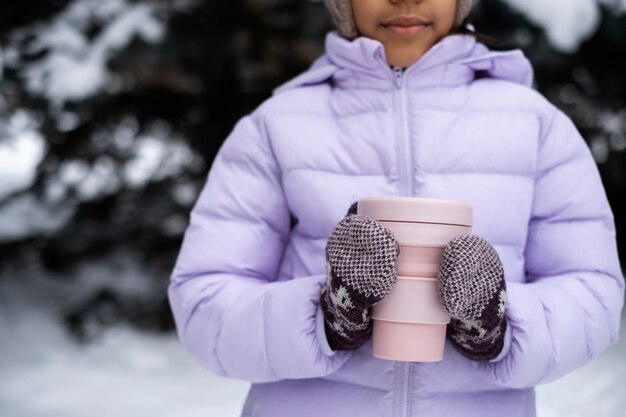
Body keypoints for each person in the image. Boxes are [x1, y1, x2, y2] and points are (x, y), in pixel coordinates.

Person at [167, 0, 625, 416]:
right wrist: (325, 317)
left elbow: (594, 290)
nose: (406, 0)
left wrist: (497, 325)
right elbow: (203, 299)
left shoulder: (537, 125)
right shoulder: (274, 127)